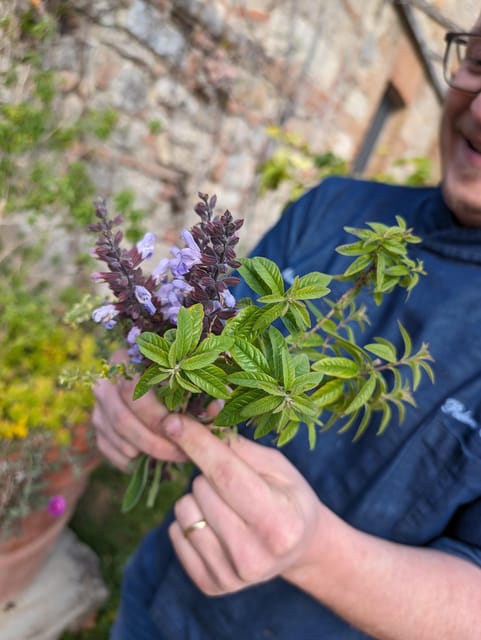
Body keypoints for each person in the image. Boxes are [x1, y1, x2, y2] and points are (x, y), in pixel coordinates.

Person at [93, 14, 481, 640]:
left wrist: (314, 551)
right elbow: (207, 345)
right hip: (156, 610)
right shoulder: (334, 206)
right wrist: (136, 384)